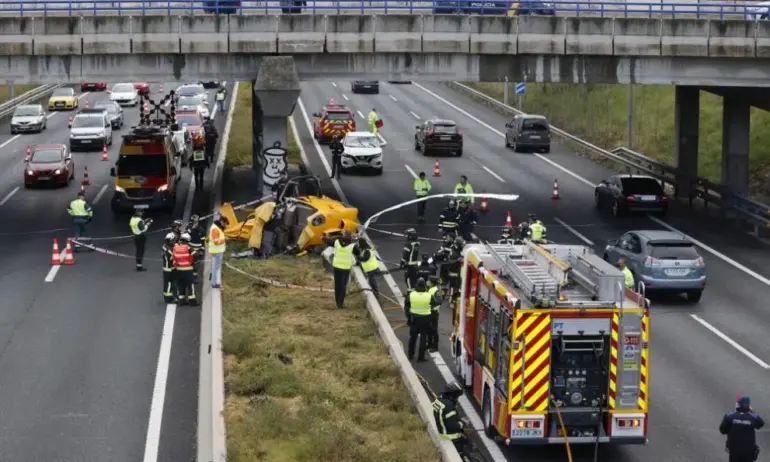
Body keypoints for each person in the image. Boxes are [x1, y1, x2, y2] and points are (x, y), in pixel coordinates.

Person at [720, 396, 764, 462]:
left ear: (738, 405)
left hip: (734, 452)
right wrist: (753, 412)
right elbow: (761, 424)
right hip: (748, 453)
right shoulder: (752, 417)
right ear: (749, 405)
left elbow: (722, 430)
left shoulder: (729, 416)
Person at [404, 277, 438, 362]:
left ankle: (410, 355)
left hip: (414, 319)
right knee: (423, 338)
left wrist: (408, 318)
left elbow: (407, 307)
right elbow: (434, 304)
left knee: (413, 338)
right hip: (425, 319)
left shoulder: (411, 295)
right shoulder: (429, 295)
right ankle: (421, 357)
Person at [433, 381, 470, 457]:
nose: (457, 399)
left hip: (441, 431)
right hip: (451, 437)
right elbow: (452, 427)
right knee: (468, 445)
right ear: (453, 395)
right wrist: (463, 423)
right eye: (457, 396)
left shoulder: (439, 399)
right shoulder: (449, 407)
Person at [331, 230, 357, 309]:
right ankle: (340, 304)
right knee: (343, 286)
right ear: (350, 238)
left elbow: (327, 241)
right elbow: (358, 252)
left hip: (336, 267)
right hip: (345, 269)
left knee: (337, 285)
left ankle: (337, 302)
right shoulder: (352, 246)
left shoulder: (337, 242)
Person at [174, 232, 197, 305]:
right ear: (187, 241)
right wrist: (193, 261)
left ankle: (181, 301)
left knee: (181, 285)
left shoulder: (176, 248)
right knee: (190, 285)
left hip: (178, 270)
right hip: (188, 270)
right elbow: (195, 255)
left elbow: (174, 258)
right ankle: (192, 301)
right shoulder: (188, 248)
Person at [208, 215, 228, 289]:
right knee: (216, 268)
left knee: (215, 267)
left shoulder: (216, 227)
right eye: (225, 223)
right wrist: (224, 240)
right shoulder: (215, 229)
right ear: (221, 221)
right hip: (216, 251)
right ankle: (215, 283)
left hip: (216, 250)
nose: (225, 225)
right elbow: (216, 242)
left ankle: (214, 281)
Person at [400, 228, 421, 293]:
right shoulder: (417, 243)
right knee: (414, 281)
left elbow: (405, 255)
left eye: (408, 235)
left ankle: (409, 296)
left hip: (409, 266)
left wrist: (402, 263)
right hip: (415, 265)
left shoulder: (408, 244)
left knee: (408, 281)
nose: (407, 237)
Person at [426, 275, 443, 352]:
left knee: (434, 329)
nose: (427, 282)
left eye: (429, 281)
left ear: (432, 283)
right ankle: (429, 344)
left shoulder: (436, 291)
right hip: (428, 312)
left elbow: (439, 302)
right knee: (429, 329)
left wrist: (431, 305)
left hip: (434, 313)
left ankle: (435, 346)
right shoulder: (430, 289)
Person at [161, 232, 177, 303]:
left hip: (166, 268)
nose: (174, 242)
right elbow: (174, 256)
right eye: (173, 240)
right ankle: (168, 297)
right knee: (170, 283)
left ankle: (166, 296)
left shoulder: (164, 246)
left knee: (166, 283)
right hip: (170, 269)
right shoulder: (170, 250)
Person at [188, 214, 205, 280]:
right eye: (193, 221)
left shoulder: (201, 230)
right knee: (189, 263)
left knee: (195, 264)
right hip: (189, 249)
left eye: (195, 222)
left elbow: (203, 241)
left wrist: (202, 250)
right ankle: (188, 276)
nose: (194, 223)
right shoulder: (189, 228)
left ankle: (194, 277)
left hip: (197, 250)